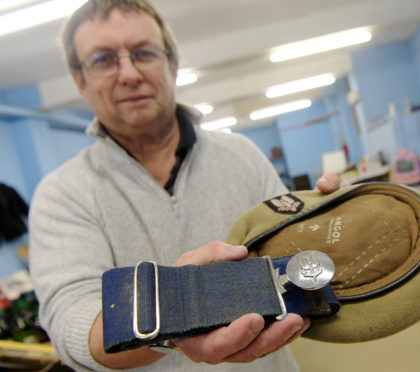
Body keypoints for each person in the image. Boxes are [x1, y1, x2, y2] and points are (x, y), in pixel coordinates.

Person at [28, 1, 340, 371]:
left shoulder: (242, 154)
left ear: (172, 64)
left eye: (143, 52)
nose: (128, 74)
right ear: (80, 81)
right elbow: (73, 325)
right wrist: (178, 317)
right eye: (103, 59)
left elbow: (295, 254)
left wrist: (336, 223)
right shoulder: (61, 195)